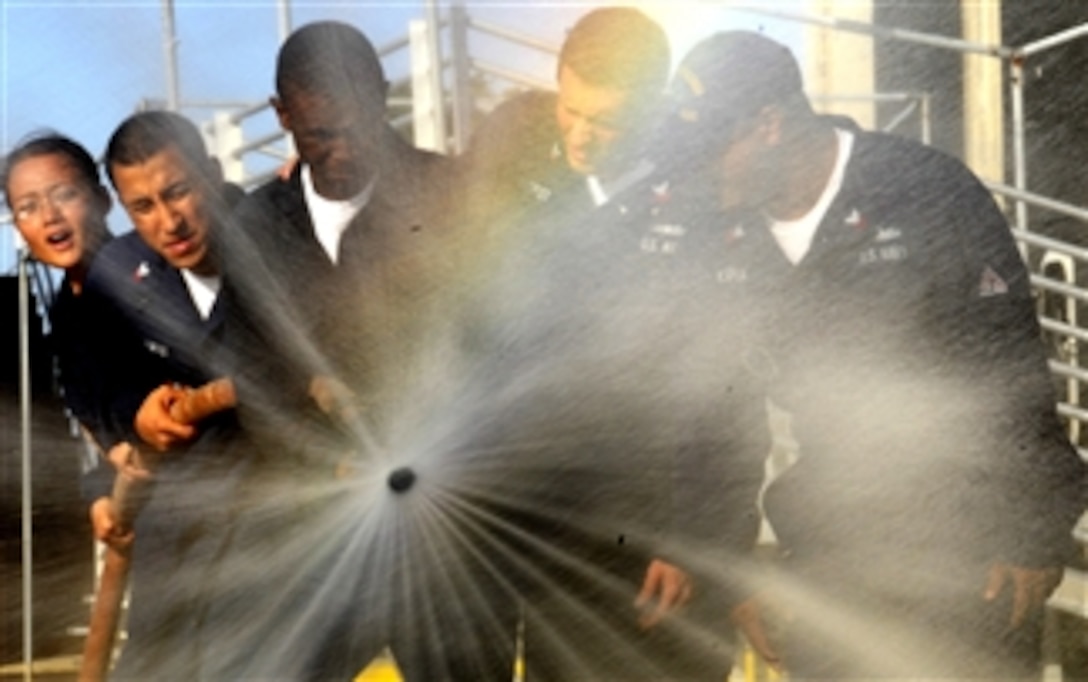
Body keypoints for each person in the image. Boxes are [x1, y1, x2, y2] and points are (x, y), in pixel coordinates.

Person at [662, 30, 1088, 678]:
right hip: (833, 560)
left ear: (770, 125)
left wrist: (1032, 533)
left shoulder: (929, 193)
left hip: (971, 565)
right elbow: (718, 417)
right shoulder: (721, 233)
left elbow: (1009, 373)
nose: (692, 167)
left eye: (708, 146)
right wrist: (734, 566)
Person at [461, 8, 769, 680]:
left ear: (654, 107)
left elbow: (732, 395)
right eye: (572, 109)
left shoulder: (710, 187)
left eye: (606, 121)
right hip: (556, 533)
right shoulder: (517, 138)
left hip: (665, 536)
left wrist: (695, 539)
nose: (582, 135)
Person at [212, 20, 513, 681]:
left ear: (383, 96)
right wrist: (330, 457)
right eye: (319, 134)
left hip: (447, 543)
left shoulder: (453, 199)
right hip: (316, 541)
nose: (343, 149)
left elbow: (495, 350)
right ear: (282, 115)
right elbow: (254, 375)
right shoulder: (256, 229)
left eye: (358, 125)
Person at [86, 109, 247, 679]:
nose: (168, 221)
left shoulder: (273, 230)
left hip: (273, 508)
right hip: (174, 515)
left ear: (210, 172)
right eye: (143, 207)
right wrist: (137, 410)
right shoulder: (117, 270)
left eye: (178, 192)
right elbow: (102, 384)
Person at [1, 132, 131, 547]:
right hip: (141, 500)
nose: (49, 217)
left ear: (103, 200)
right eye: (28, 207)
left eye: (64, 195)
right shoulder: (65, 312)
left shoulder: (146, 276)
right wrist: (99, 492)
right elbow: (100, 432)